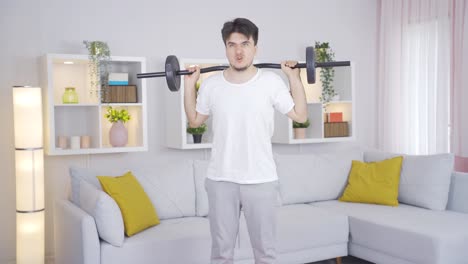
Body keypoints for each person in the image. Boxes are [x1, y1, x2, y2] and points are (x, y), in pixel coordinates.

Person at [184, 17, 307, 264]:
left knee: (266, 255)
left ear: (255, 48)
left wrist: (294, 78)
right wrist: (189, 85)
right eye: (232, 45)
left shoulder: (271, 82)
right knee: (221, 254)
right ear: (226, 48)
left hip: (260, 179)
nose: (238, 51)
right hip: (220, 179)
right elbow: (195, 120)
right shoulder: (211, 85)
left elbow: (300, 115)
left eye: (245, 44)